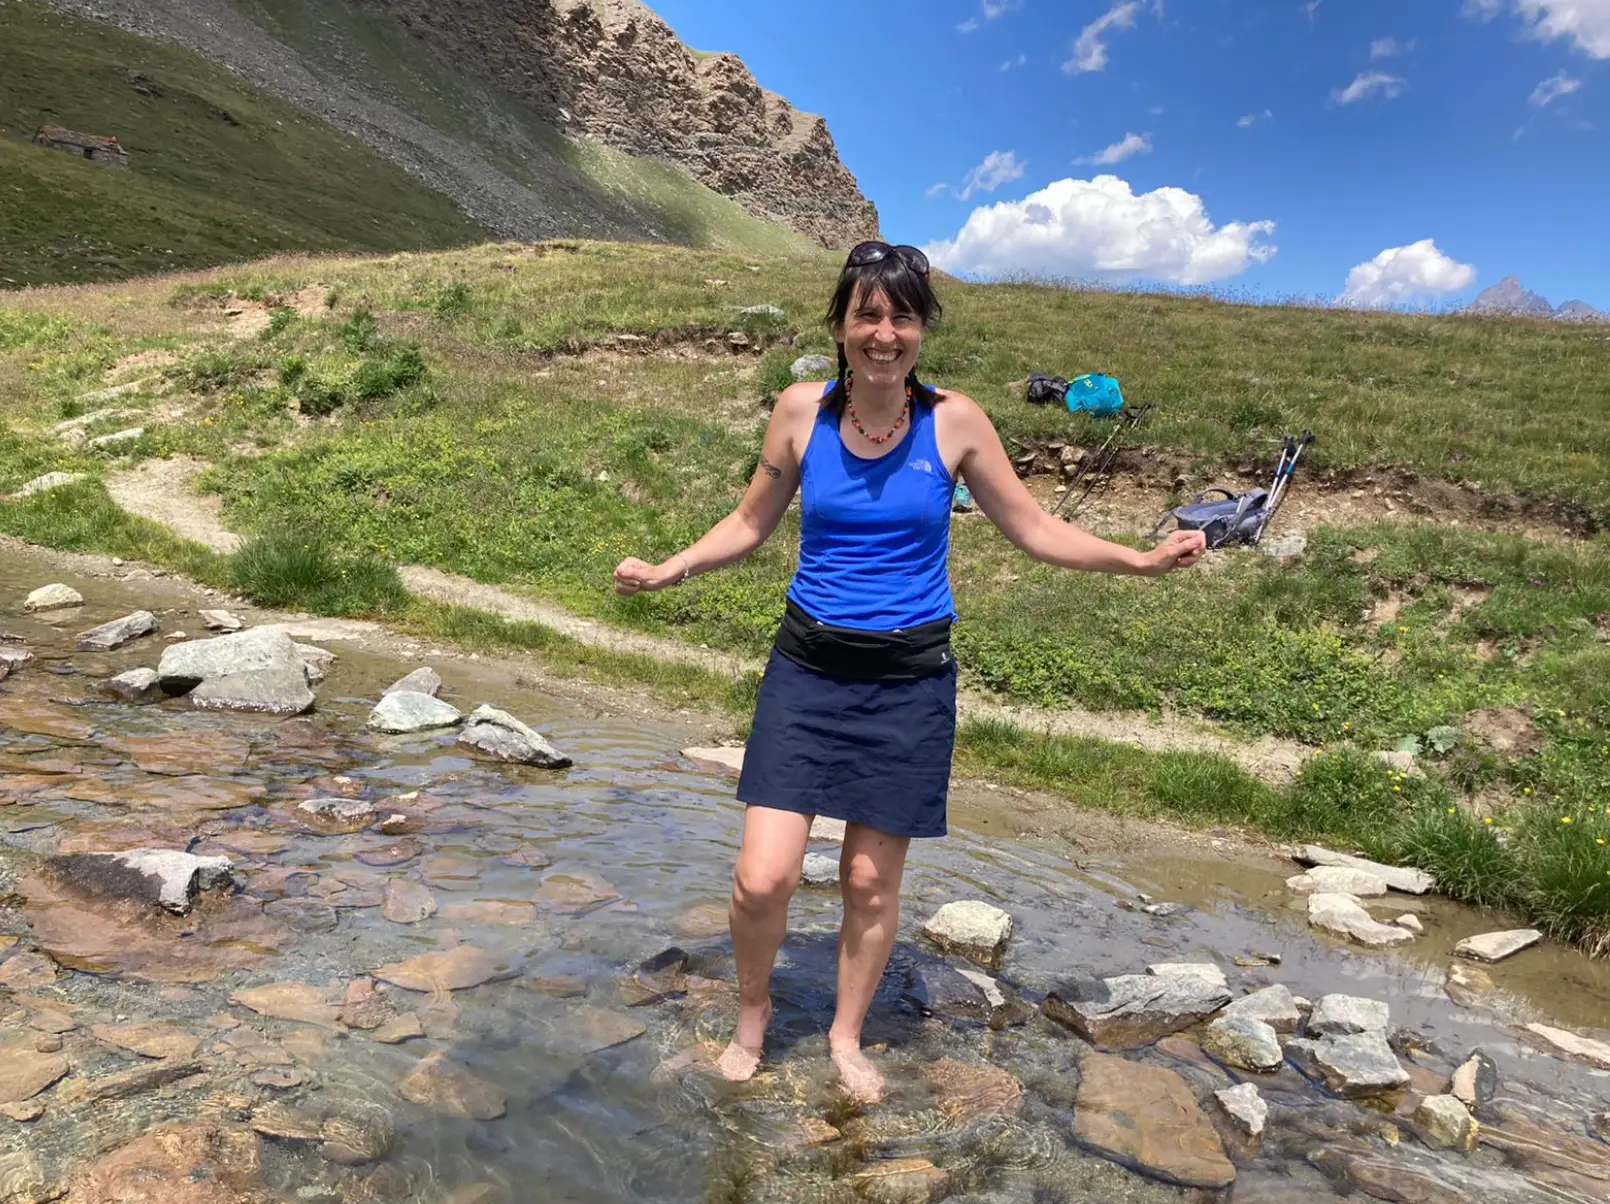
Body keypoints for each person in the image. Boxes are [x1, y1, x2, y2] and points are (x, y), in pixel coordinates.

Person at [614, 241, 1206, 1103]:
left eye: (901, 316)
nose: (882, 333)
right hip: (807, 669)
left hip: (908, 680)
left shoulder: (956, 423)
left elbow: (1035, 530)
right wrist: (672, 568)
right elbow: (749, 522)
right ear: (842, 325)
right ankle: (752, 1018)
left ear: (922, 328)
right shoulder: (798, 413)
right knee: (763, 876)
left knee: (867, 879)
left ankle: (846, 1037)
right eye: (866, 315)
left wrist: (1140, 560)